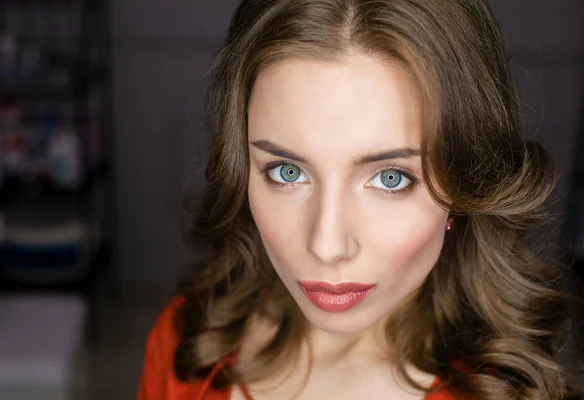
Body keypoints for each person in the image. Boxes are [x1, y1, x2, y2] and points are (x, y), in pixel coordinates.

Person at [137, 0, 575, 399]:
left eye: (390, 178)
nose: (327, 246)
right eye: (287, 172)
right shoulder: (186, 348)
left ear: (467, 186)